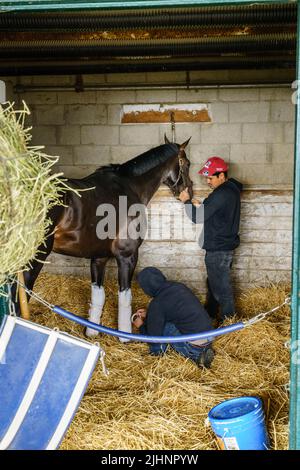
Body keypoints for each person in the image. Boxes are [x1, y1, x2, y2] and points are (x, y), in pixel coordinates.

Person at [178, 156, 243, 323]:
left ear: (222, 176)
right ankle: (212, 314)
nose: (207, 181)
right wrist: (205, 205)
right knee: (216, 284)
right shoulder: (231, 189)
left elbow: (197, 218)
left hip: (218, 249)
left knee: (222, 289)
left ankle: (229, 323)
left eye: (210, 177)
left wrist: (186, 202)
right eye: (206, 177)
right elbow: (218, 211)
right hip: (224, 246)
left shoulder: (221, 194)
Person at [132, 266, 215, 368]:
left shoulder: (157, 303)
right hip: (210, 335)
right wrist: (150, 314)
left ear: (146, 289)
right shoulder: (178, 286)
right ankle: (205, 349)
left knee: (164, 328)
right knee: (170, 321)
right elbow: (173, 309)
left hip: (193, 344)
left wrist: (140, 325)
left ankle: (194, 356)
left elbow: (152, 337)